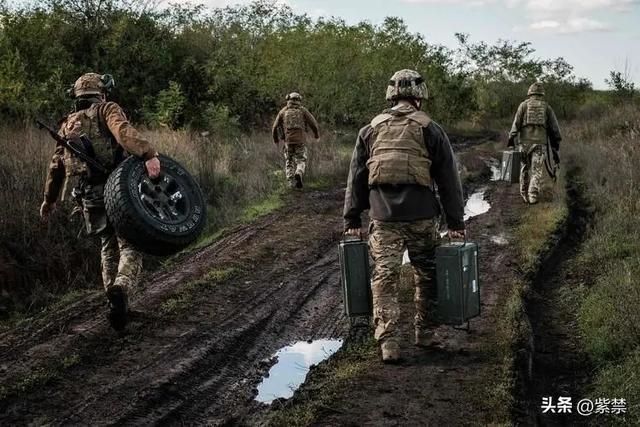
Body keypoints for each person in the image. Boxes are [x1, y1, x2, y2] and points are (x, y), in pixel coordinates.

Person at [343, 69, 465, 363]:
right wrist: (456, 223)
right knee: (428, 276)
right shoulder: (430, 128)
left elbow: (357, 177)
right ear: (419, 97)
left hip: (383, 219)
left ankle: (389, 345)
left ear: (391, 95)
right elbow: (449, 179)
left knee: (385, 278)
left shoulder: (369, 130)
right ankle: (425, 334)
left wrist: (351, 220)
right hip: (422, 217)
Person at [39, 72, 161, 330]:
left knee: (107, 245)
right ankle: (121, 288)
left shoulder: (67, 125)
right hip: (117, 188)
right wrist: (148, 153)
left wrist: (49, 200)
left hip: (89, 195)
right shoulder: (107, 109)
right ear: (100, 93)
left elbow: (56, 166)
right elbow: (123, 132)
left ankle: (112, 300)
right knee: (130, 243)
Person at [508, 82, 562, 204]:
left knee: (524, 168)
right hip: (540, 144)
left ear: (530, 93)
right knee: (536, 170)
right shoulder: (547, 107)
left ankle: (523, 193)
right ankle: (533, 195)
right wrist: (556, 141)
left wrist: (511, 138)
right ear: (542, 94)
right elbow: (555, 128)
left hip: (524, 144)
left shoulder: (523, 105)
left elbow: (516, 124)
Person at [271, 92, 320, 189]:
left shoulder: (283, 111)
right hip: (300, 141)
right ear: (299, 100)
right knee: (301, 160)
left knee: (289, 161)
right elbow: (313, 123)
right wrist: (316, 135)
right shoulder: (303, 111)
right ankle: (299, 172)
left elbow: (274, 127)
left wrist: (276, 140)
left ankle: (290, 183)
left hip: (288, 141)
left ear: (288, 100)